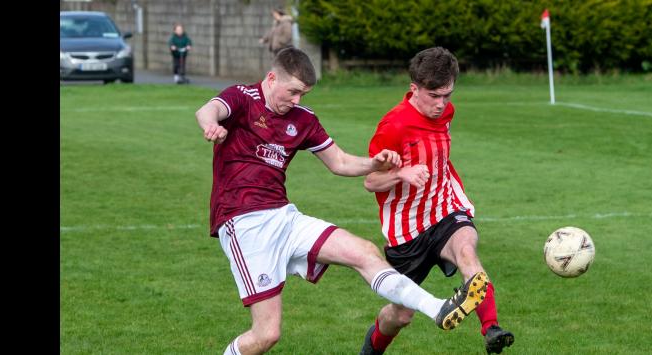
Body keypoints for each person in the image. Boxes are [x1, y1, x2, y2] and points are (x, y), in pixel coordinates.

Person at [194, 47, 489, 355]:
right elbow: (208, 110)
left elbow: (340, 163)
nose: (297, 100)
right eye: (293, 92)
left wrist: (376, 163)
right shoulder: (242, 97)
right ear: (271, 78)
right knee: (266, 334)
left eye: (303, 94)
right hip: (242, 222)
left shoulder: (303, 119)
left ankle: (438, 308)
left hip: (284, 216)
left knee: (364, 251)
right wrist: (211, 125)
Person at [359, 47, 515, 355]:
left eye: (447, 95)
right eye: (434, 95)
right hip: (407, 229)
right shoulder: (394, 126)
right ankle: (371, 349)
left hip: (444, 208)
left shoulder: (447, 112)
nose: (441, 104)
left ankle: (492, 329)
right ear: (413, 89)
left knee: (467, 251)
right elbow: (370, 181)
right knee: (400, 315)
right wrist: (402, 173)